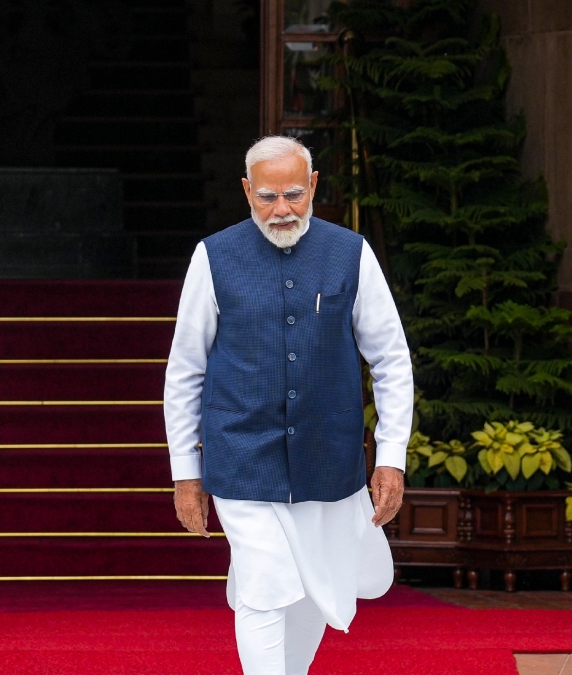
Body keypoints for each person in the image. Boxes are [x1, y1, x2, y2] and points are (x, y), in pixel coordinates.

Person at [164, 135, 413, 675]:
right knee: (265, 578)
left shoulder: (351, 252)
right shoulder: (213, 256)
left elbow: (391, 358)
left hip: (330, 456)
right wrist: (186, 472)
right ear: (247, 191)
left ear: (315, 186)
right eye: (268, 197)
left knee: (312, 586)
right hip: (241, 456)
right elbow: (186, 370)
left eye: (295, 195)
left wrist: (391, 456)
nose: (282, 210)